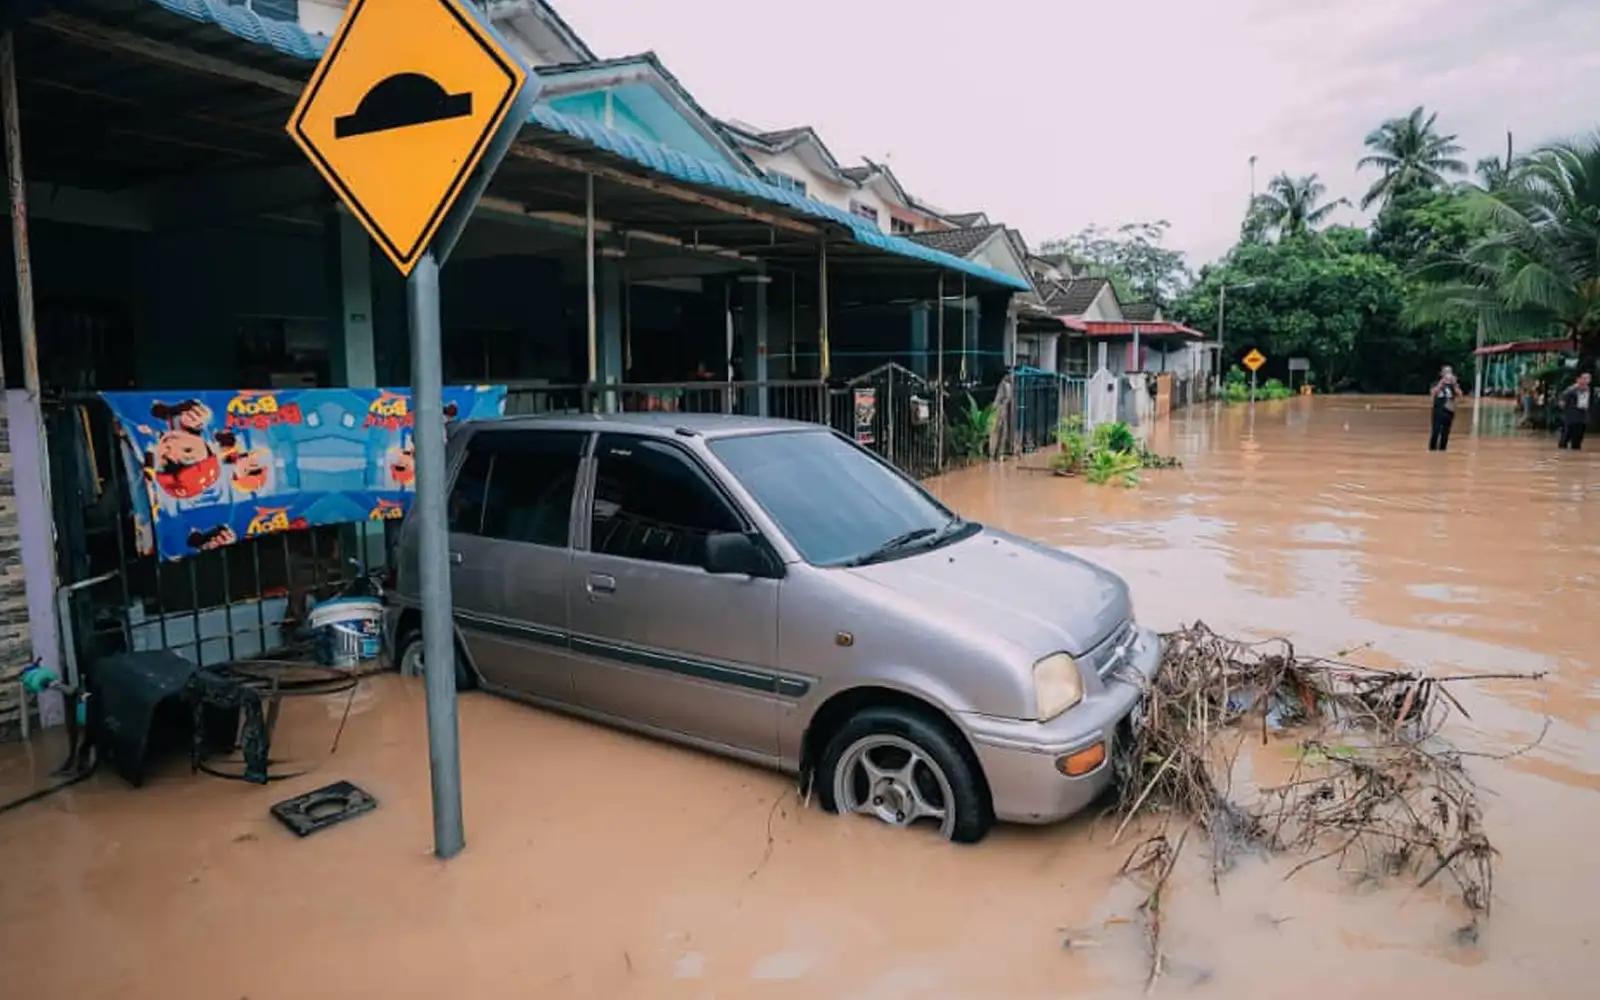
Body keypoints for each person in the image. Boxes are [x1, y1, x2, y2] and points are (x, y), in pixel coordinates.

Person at [1428, 365, 1461, 451]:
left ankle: (1443, 451)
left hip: (1449, 411)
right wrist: (1441, 383)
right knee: (1435, 431)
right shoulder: (1436, 383)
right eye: (1446, 372)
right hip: (1438, 410)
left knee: (1445, 433)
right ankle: (1432, 451)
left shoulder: (1453, 385)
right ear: (1441, 374)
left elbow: (1460, 395)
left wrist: (1455, 384)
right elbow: (1433, 393)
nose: (1448, 374)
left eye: (1450, 372)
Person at [1557, 371, 1592, 450]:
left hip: (1582, 417)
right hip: (1572, 417)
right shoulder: (1571, 389)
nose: (1586, 380)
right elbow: (1562, 399)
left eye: (1588, 378)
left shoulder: (1588, 389)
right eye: (1584, 378)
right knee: (1566, 437)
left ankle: (1575, 453)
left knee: (1578, 438)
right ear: (1578, 379)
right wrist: (1564, 406)